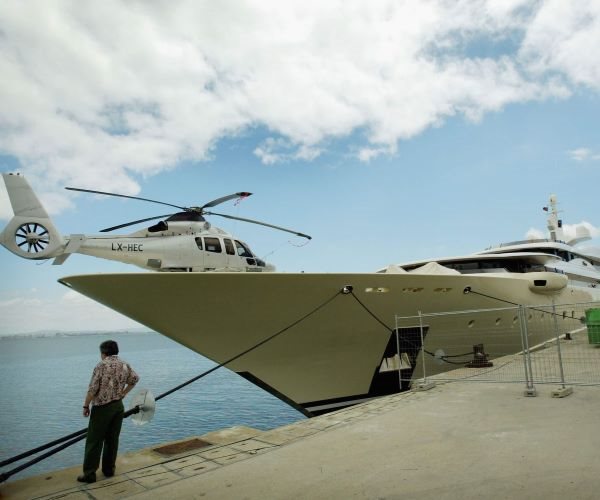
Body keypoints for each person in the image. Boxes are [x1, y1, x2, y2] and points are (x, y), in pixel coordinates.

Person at [77, 340, 139, 483]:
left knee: (94, 441)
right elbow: (135, 379)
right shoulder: (124, 364)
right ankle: (109, 470)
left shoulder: (101, 365)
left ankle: (89, 474)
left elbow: (93, 389)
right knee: (112, 440)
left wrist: (86, 406)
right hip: (118, 407)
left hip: (102, 408)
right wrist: (124, 393)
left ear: (104, 352)